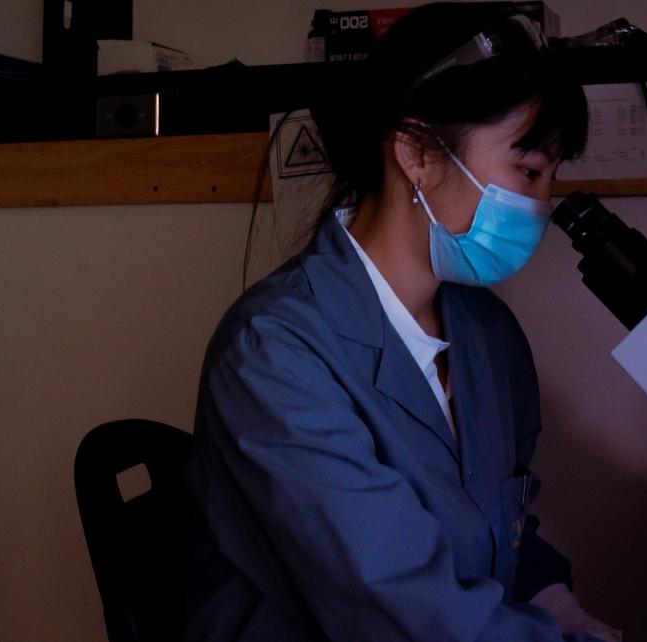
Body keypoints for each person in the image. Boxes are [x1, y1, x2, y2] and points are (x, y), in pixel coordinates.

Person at [182, 4, 618, 640]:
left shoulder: (488, 336)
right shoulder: (273, 354)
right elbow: (399, 608)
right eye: (527, 170)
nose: (540, 205)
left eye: (550, 178)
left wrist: (560, 606)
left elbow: (506, 529)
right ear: (416, 151)